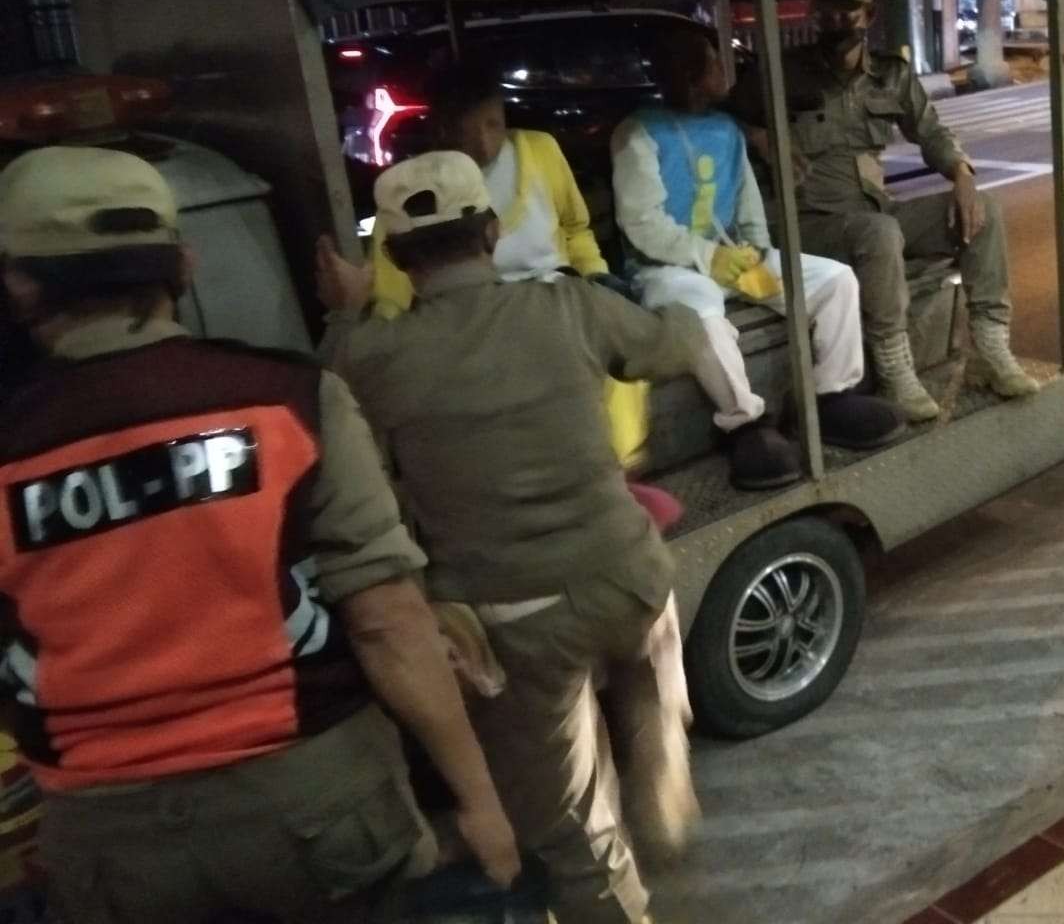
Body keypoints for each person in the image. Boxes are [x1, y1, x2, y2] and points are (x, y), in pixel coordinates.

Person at [0, 146, 518, 923]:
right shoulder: (288, 398)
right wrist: (478, 799)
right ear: (183, 264)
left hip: (112, 842)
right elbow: (387, 620)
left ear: (21, 282)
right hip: (315, 803)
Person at [317, 151, 708, 924]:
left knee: (573, 828)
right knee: (649, 666)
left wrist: (346, 310)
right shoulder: (567, 306)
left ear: (394, 255)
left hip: (514, 618)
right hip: (628, 572)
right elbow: (672, 347)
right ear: (491, 232)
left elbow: (326, 399)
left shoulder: (372, 354)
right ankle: (663, 782)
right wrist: (684, 304)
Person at [729, 0, 1038, 423]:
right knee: (879, 232)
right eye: (828, 14)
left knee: (982, 211)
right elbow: (721, 120)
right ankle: (896, 370)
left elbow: (930, 132)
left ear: (867, 16)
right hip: (807, 224)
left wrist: (963, 175)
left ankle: (989, 352)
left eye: (847, 13)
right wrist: (757, 134)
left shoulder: (891, 76)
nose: (836, 22)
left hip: (875, 213)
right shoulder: (782, 72)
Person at [613, 30, 904, 489]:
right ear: (691, 76)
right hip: (668, 266)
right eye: (713, 64)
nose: (723, 73)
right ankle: (744, 422)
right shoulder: (638, 133)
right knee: (701, 312)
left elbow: (746, 201)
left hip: (733, 256)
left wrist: (757, 250)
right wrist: (708, 257)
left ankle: (829, 394)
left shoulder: (727, 130)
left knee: (836, 281)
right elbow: (642, 223)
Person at [369, 63, 654, 475]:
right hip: (477, 319)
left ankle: (618, 467)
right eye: (469, 130)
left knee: (611, 358)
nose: (485, 143)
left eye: (494, 125)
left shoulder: (540, 150)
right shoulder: (417, 190)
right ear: (443, 130)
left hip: (558, 296)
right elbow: (390, 290)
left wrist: (594, 274)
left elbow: (575, 228)